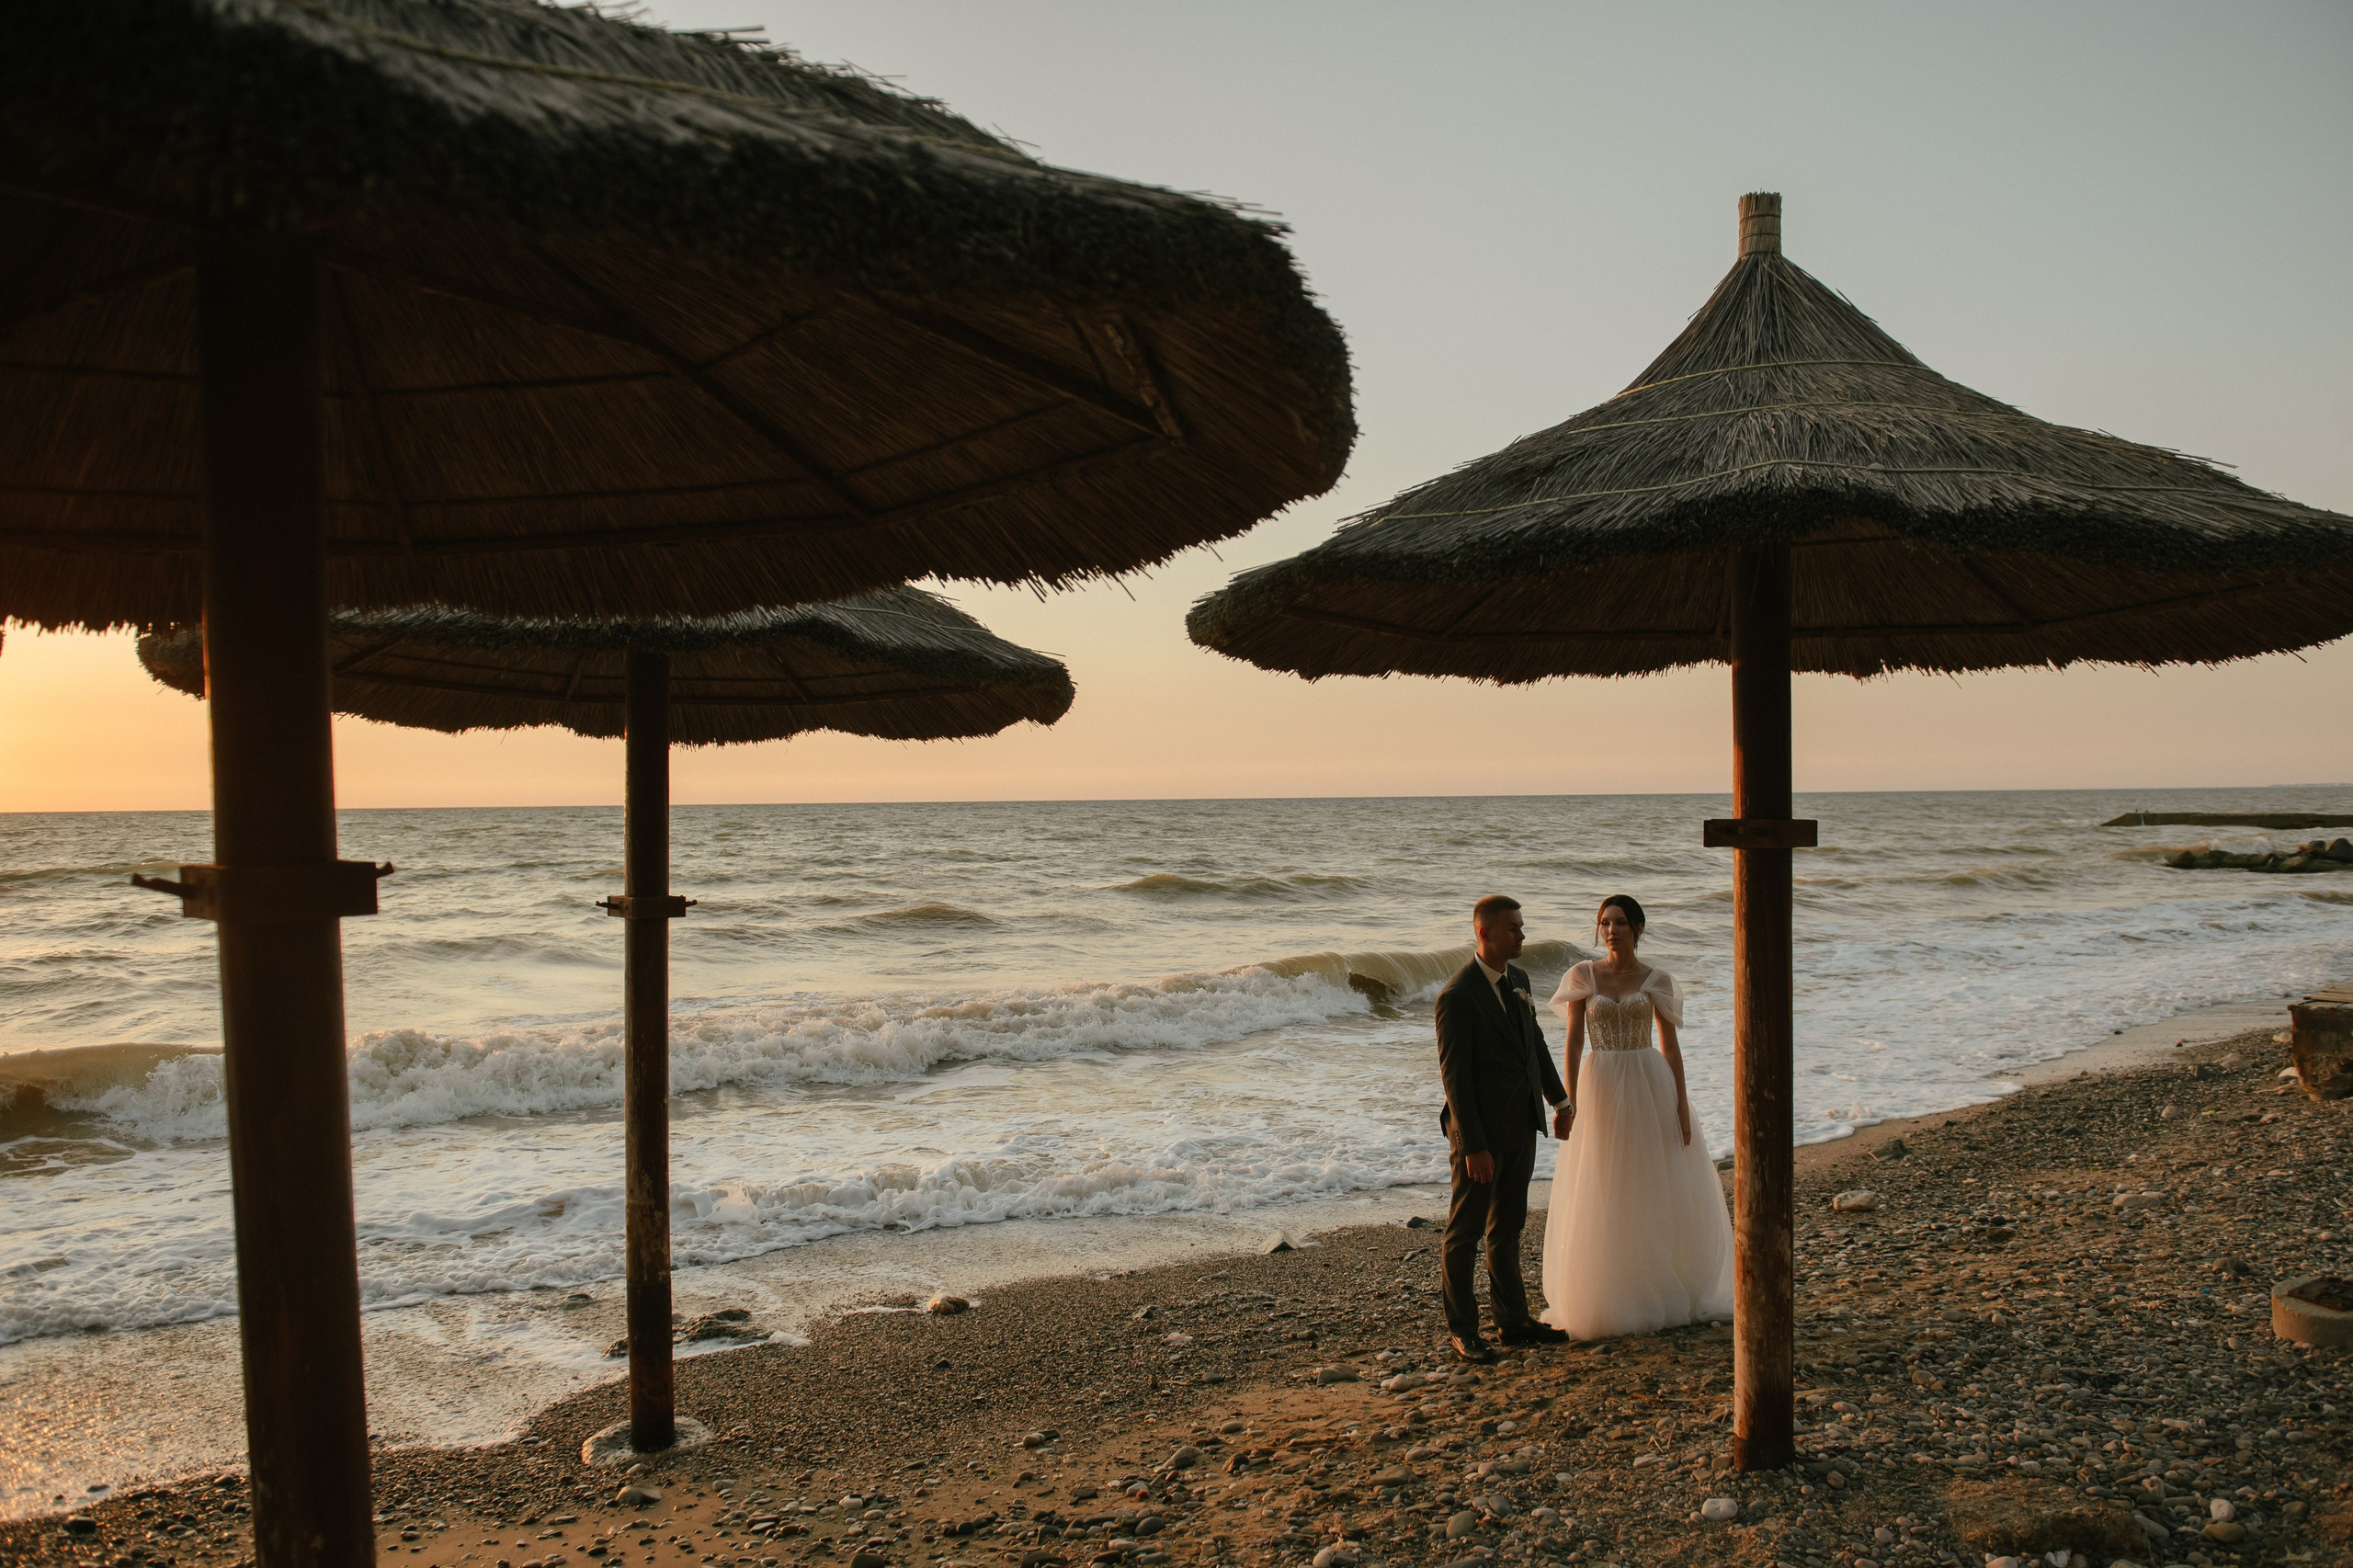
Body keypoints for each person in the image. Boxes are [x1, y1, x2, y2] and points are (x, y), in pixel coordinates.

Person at [1538, 893, 1733, 1340]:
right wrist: (1567, 1103)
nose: (1611, 930)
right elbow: (1571, 1044)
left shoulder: (1657, 979)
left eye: (1621, 922)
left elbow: (1670, 1046)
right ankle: (1609, 1290)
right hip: (1601, 1084)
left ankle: (1657, 1287)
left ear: (1638, 928)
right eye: (1605, 922)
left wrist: (1682, 1106)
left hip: (1648, 1084)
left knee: (1649, 1183)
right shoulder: (1583, 975)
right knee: (1603, 1182)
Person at [1435, 894, 1572, 1363]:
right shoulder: (1456, 995)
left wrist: (1560, 1099)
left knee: (1508, 1226)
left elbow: (1534, 1044)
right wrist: (1473, 1146)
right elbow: (1456, 1080)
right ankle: (1464, 1330)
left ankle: (1512, 1322)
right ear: (1485, 933)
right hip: (1479, 1135)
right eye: (1513, 928)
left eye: (1522, 926)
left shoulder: (1520, 980)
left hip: (1522, 1124)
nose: (1522, 935)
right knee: (1465, 1230)